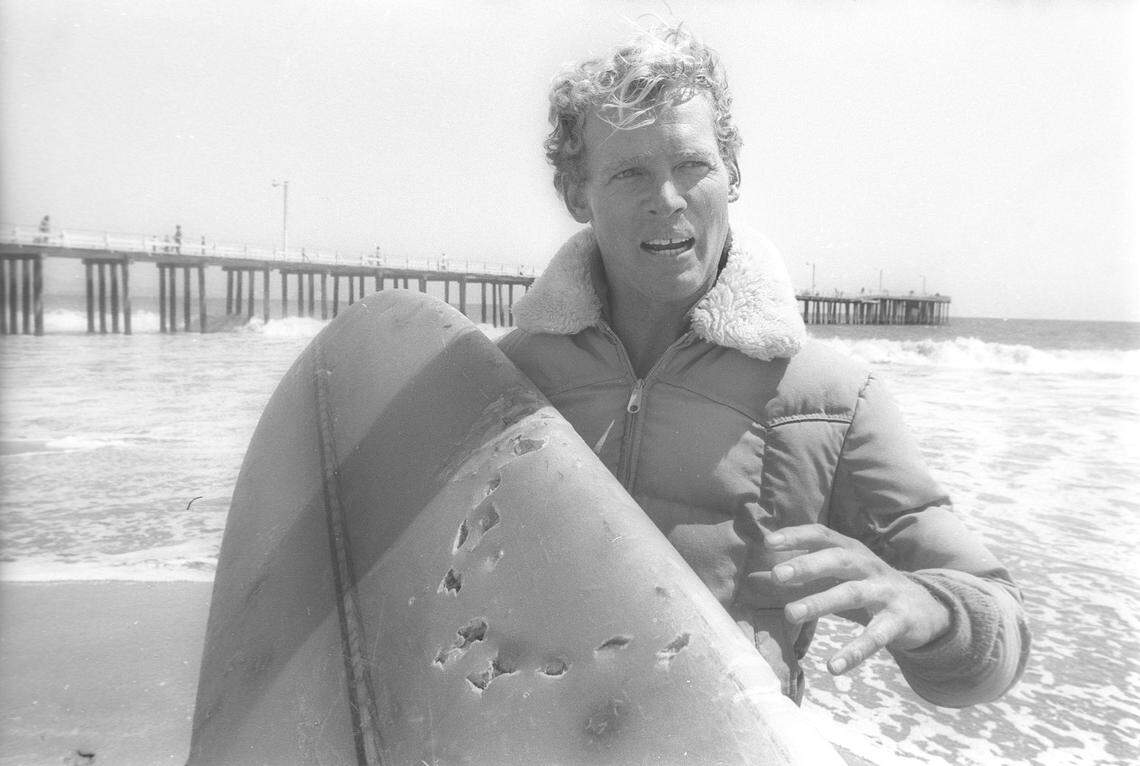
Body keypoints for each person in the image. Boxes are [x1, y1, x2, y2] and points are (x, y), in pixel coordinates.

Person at [499, 24, 1029, 708]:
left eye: (692, 165)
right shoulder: (501, 381)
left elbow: (999, 624)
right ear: (577, 194)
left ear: (732, 174)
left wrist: (933, 611)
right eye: (630, 171)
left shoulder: (833, 403)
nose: (666, 196)